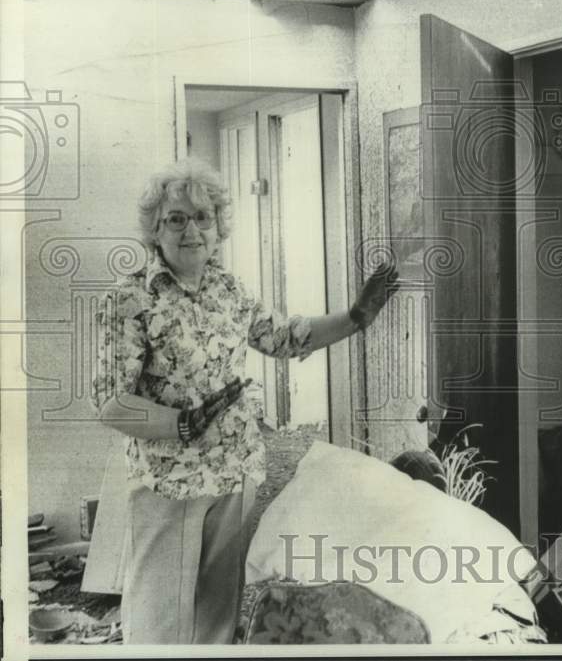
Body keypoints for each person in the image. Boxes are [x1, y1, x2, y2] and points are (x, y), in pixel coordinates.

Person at [90, 157, 397, 644]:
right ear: (155, 229)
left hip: (232, 471)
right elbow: (110, 403)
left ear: (218, 227)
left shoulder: (227, 289)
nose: (192, 230)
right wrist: (182, 424)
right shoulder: (130, 299)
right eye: (177, 218)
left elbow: (283, 337)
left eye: (203, 217)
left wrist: (356, 317)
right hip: (167, 480)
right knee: (157, 623)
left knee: (216, 614)